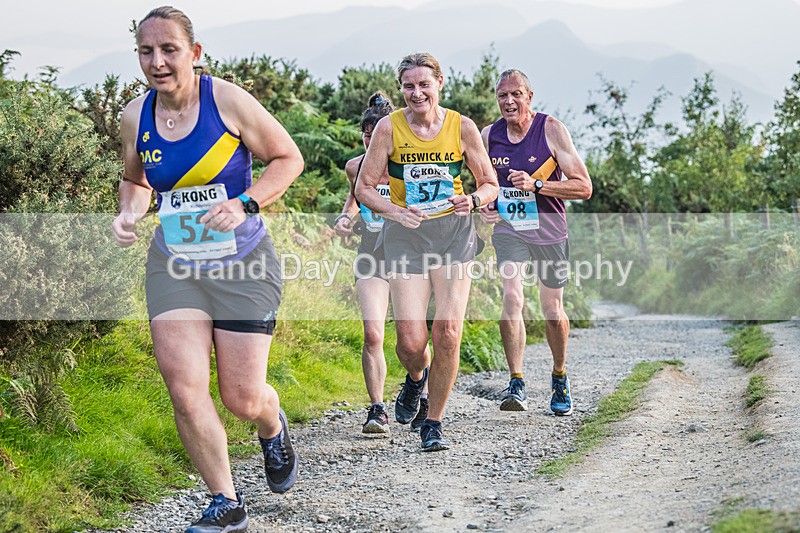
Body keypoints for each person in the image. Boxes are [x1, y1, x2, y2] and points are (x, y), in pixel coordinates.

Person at [111, 7, 304, 533]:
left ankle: (271, 422)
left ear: (194, 53)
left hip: (243, 263)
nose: (158, 61)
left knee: (242, 398)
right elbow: (136, 180)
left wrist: (245, 203)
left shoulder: (227, 101)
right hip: (175, 264)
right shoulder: (136, 116)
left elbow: (288, 158)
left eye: (169, 49)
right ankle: (225, 501)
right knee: (185, 387)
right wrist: (129, 211)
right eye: (146, 51)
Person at [355, 53, 498, 452]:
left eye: (423, 84)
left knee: (448, 332)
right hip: (407, 236)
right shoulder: (388, 127)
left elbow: (490, 182)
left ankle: (433, 421)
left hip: (453, 233)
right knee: (410, 342)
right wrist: (396, 212)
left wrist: (473, 198)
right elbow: (364, 188)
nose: (416, 93)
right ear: (401, 89)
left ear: (439, 83)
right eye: (408, 86)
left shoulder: (461, 127)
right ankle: (416, 378)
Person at [479, 69, 592, 415]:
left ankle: (559, 375)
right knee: (512, 297)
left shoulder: (551, 130)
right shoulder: (488, 136)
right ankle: (516, 381)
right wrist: (485, 205)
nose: (509, 102)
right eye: (502, 96)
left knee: (552, 311)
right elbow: (484, 183)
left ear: (530, 97)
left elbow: (584, 187)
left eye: (516, 94)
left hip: (549, 231)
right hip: (511, 230)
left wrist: (539, 186)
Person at [334, 93, 431, 435]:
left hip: (409, 255)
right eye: (365, 137)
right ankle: (377, 410)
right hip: (371, 253)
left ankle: (419, 383)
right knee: (373, 333)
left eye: (378, 137)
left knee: (414, 341)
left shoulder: (410, 166)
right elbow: (352, 202)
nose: (371, 143)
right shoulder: (355, 167)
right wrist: (344, 220)